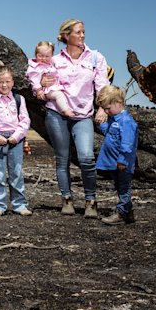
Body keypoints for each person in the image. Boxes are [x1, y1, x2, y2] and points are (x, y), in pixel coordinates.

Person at [40, 19, 110, 218]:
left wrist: (103, 108)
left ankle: (91, 201)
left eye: (83, 32)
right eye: (78, 32)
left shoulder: (95, 58)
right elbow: (45, 87)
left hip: (83, 115)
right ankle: (67, 199)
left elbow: (102, 86)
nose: (82, 35)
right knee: (62, 158)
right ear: (66, 36)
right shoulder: (55, 60)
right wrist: (42, 83)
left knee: (86, 157)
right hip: (56, 114)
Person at [0, 61, 32, 217]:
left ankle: (20, 204)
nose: (4, 85)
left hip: (15, 140)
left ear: (13, 82)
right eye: (1, 82)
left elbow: (25, 120)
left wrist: (17, 137)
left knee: (16, 172)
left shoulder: (19, 99)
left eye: (7, 82)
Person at [95, 85, 138, 225]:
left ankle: (121, 213)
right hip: (113, 162)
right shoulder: (114, 120)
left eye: (108, 108)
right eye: (105, 109)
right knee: (120, 187)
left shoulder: (127, 122)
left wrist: (122, 160)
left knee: (124, 187)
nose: (107, 111)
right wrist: (102, 125)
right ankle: (128, 212)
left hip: (123, 163)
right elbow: (110, 134)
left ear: (119, 102)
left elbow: (127, 144)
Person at [26, 41, 74, 118]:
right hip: (46, 90)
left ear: (51, 56)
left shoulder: (51, 64)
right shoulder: (35, 67)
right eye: (40, 56)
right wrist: (39, 90)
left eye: (47, 56)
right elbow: (34, 80)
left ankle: (68, 108)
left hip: (55, 87)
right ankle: (65, 110)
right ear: (36, 55)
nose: (43, 58)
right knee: (59, 95)